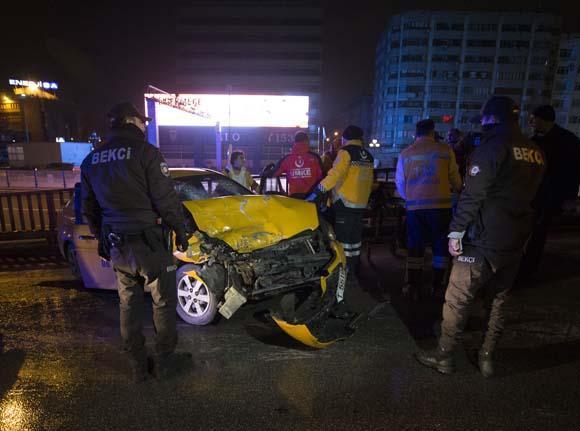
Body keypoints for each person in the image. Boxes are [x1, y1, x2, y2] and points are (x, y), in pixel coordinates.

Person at [415, 96, 546, 378]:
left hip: (483, 237)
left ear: (491, 118)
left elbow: (473, 193)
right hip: (516, 238)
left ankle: (444, 356)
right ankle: (487, 357)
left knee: (458, 297)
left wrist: (456, 230)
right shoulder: (535, 150)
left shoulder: (492, 147)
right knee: (498, 300)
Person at [81, 102, 191, 382]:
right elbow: (166, 201)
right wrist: (182, 232)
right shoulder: (147, 153)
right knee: (163, 303)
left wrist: (102, 238)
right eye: (143, 121)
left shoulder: (92, 160)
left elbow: (90, 208)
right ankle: (165, 362)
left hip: (118, 245)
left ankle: (137, 366)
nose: (145, 125)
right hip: (150, 244)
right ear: (131, 121)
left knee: (128, 305)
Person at [395, 119, 462, 300]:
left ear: (416, 134)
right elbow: (455, 178)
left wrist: (410, 197)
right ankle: (437, 285)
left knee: (415, 245)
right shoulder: (445, 150)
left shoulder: (406, 153)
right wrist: (459, 190)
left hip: (415, 208)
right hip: (441, 207)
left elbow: (400, 183)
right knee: (440, 246)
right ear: (433, 133)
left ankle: (413, 285)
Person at [307, 125, 374, 286]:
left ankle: (342, 275)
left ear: (345, 138)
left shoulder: (345, 153)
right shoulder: (368, 156)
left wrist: (317, 191)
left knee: (342, 241)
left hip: (345, 203)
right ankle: (353, 271)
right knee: (355, 241)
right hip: (360, 204)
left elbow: (335, 174)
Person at [519, 105, 580, 276]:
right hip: (534, 193)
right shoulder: (536, 140)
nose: (530, 122)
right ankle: (525, 263)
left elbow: (573, 171)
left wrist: (569, 197)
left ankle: (529, 267)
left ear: (543, 119)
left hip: (550, 194)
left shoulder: (567, 140)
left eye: (533, 118)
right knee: (530, 231)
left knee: (538, 232)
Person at [265, 131, 324, 198]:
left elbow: (273, 173)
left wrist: (264, 173)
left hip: (294, 199)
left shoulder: (287, 159)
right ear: (306, 141)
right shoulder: (315, 157)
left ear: (295, 142)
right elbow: (322, 176)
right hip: (312, 198)